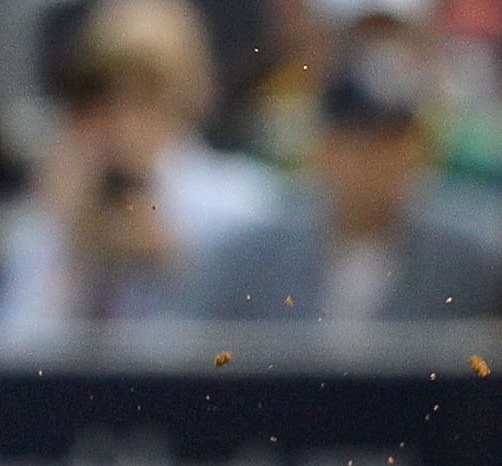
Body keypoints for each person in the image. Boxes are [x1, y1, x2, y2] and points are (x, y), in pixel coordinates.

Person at [0, 0, 280, 348]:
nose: (123, 110)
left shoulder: (247, 205)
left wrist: (174, 263)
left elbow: (251, 359)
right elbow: (0, 361)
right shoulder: (56, 211)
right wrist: (70, 250)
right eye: (101, 85)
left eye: (149, 85)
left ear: (197, 87)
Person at [185, 40, 502, 325]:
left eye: (391, 141)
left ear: (418, 150)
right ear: (322, 148)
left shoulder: (475, 262)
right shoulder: (247, 259)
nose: (373, 160)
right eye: (356, 141)